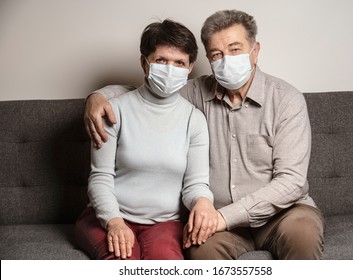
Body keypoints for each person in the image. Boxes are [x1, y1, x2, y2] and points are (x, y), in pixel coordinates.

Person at [85, 10, 325, 260]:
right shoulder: (195, 92)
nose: (226, 60)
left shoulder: (287, 100)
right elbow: (146, 93)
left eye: (235, 49)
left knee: (303, 233)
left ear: (255, 51)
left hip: (281, 214)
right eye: (216, 54)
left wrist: (223, 217)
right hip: (217, 219)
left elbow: (292, 181)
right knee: (200, 251)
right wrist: (97, 97)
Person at [75, 19, 218, 260]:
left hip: (165, 224)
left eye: (179, 62)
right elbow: (100, 177)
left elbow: (195, 184)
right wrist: (114, 221)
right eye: (161, 60)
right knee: (122, 260)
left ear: (190, 67)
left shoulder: (194, 120)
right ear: (144, 62)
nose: (170, 68)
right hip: (110, 215)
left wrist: (203, 202)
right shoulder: (114, 111)